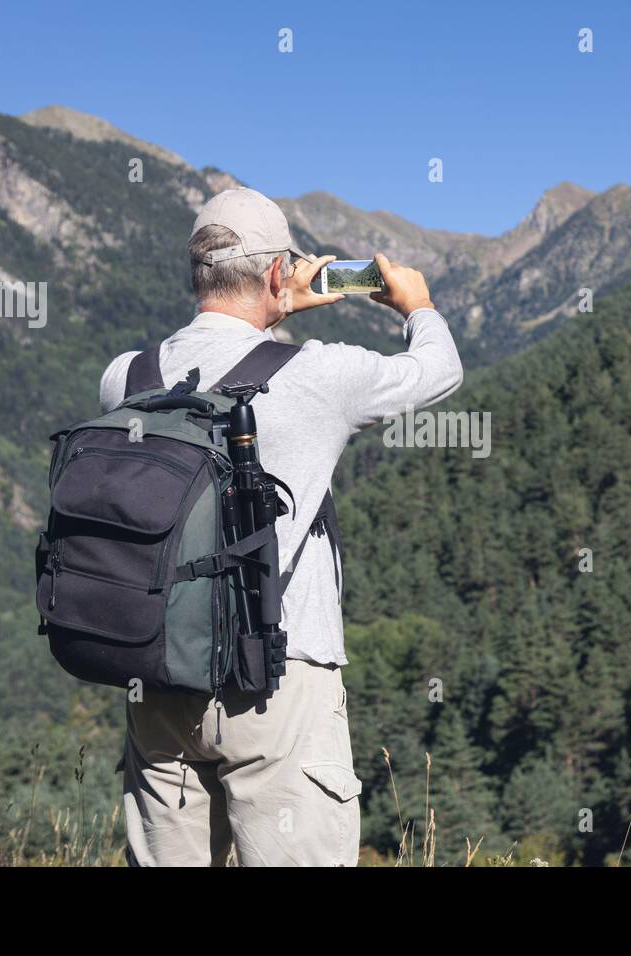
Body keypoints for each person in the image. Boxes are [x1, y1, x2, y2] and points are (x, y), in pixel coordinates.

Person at [98, 187, 463, 866]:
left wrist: (272, 303)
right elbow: (439, 372)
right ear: (276, 273)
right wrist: (419, 306)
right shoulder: (317, 376)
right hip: (276, 684)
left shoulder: (126, 378)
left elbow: (213, 367)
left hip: (158, 676)